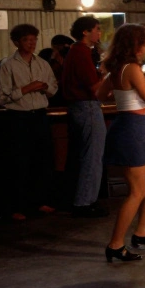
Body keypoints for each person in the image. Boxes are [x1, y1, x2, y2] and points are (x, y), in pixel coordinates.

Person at [97, 24, 145, 262]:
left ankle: (141, 233)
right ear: (135, 45)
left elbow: (99, 95)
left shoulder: (117, 68)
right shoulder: (133, 69)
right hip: (129, 131)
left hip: (130, 130)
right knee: (137, 191)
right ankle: (116, 245)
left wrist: (123, 96)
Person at [0, 23, 59, 220]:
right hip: (18, 118)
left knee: (42, 159)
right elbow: (0, 96)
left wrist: (44, 87)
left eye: (33, 40)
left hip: (39, 115)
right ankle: (18, 206)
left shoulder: (42, 64)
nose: (31, 44)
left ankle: (40, 201)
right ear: (16, 42)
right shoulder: (7, 65)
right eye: (26, 40)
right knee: (19, 161)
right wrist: (26, 88)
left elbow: (54, 88)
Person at [62, 16, 107, 218]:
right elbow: (94, 87)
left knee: (85, 155)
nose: (99, 33)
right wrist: (109, 75)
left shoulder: (76, 52)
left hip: (78, 107)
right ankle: (85, 201)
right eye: (96, 29)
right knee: (92, 156)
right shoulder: (81, 52)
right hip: (87, 106)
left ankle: (81, 199)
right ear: (85, 32)